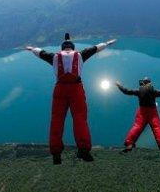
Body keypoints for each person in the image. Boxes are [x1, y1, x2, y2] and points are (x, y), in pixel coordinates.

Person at [25, 33, 117, 165]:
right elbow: (96, 48)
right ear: (72, 48)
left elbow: (40, 52)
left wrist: (31, 48)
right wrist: (108, 43)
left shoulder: (55, 57)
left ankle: (56, 154)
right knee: (80, 119)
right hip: (76, 89)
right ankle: (84, 151)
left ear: (62, 48)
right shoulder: (79, 55)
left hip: (60, 90)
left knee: (57, 120)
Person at [116, 78, 160, 156]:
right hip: (152, 112)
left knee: (137, 127)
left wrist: (119, 85)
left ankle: (129, 144)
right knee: (157, 127)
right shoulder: (153, 91)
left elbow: (127, 91)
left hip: (142, 112)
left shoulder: (139, 91)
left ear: (143, 83)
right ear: (149, 83)